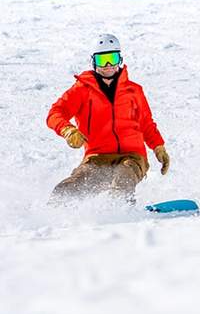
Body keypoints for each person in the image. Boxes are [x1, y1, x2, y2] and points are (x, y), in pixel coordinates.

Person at [46, 34, 170, 201]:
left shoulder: (134, 91)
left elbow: (146, 123)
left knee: (122, 179)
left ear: (120, 59)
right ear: (94, 61)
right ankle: (55, 217)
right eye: (102, 60)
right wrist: (68, 130)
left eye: (113, 58)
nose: (108, 65)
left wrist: (158, 147)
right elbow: (55, 113)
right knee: (68, 189)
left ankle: (122, 214)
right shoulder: (82, 90)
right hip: (97, 158)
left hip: (132, 156)